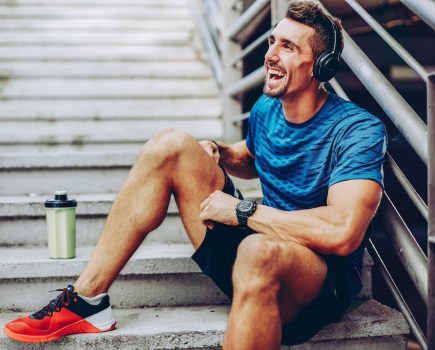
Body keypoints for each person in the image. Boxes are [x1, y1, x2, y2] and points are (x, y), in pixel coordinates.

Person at [3, 0, 386, 348]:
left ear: (323, 66)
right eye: (272, 42)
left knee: (257, 250)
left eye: (288, 47)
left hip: (315, 280)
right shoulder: (266, 111)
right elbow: (251, 156)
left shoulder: (357, 130)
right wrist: (219, 152)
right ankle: (88, 299)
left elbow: (342, 230)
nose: (270, 55)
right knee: (169, 143)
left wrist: (242, 211)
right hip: (258, 248)